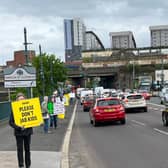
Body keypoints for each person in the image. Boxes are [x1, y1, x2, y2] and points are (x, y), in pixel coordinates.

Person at [9, 92, 33, 168]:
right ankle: (21, 165)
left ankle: (28, 165)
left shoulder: (29, 107)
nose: (21, 100)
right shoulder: (14, 109)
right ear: (17, 101)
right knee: (20, 149)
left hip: (28, 132)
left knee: (27, 149)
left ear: (25, 99)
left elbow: (33, 119)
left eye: (22, 99)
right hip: (19, 133)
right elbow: (11, 122)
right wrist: (18, 127)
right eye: (20, 99)